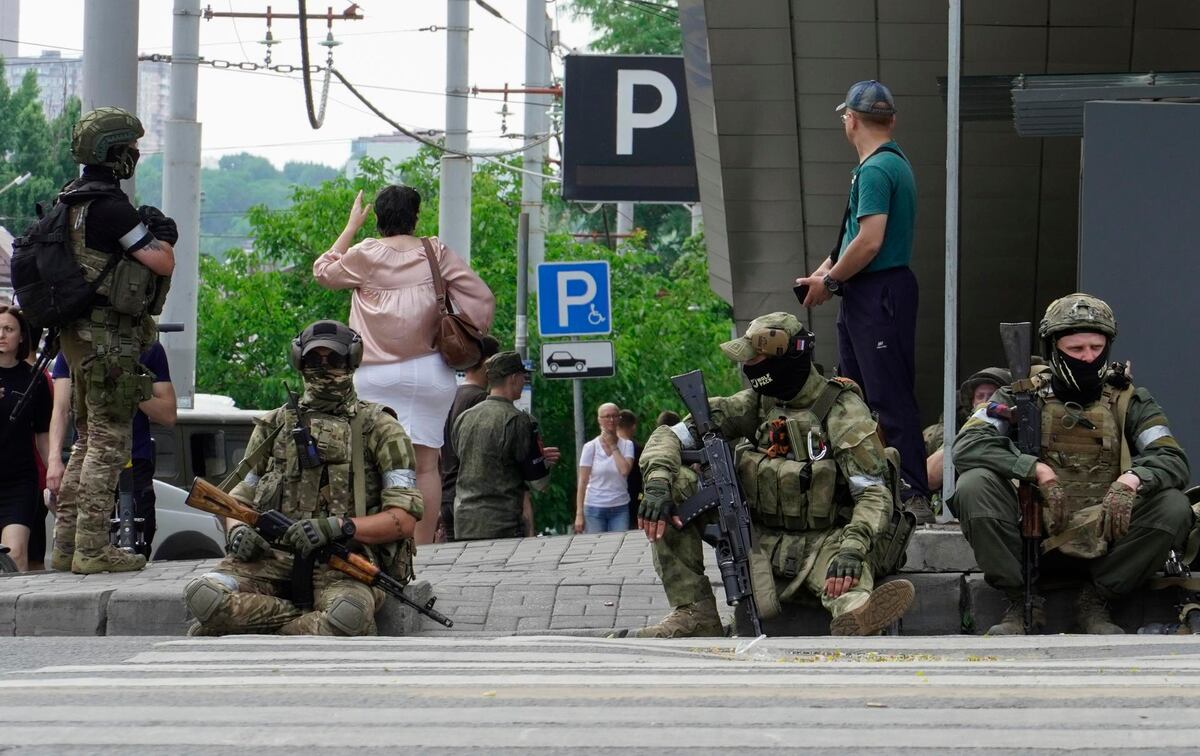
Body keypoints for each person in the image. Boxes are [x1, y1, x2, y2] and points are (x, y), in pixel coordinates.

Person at [620, 312, 915, 638]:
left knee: (846, 579)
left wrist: (854, 547)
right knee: (676, 488)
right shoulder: (757, 403)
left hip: (826, 541)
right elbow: (672, 434)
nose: (748, 368)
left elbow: (873, 493)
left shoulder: (843, 411)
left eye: (755, 359)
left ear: (786, 358)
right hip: (759, 540)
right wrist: (658, 482)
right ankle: (695, 612)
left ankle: (858, 614)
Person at [953, 294, 1192, 635]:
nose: (1088, 357)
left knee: (1173, 505)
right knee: (974, 484)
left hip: (1106, 534)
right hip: (1032, 533)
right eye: (1076, 349)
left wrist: (1133, 479)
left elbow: (1172, 458)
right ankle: (1022, 601)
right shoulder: (1019, 395)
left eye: (1096, 347)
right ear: (1054, 347)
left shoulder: (1129, 399)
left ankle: (1096, 600)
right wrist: (1034, 469)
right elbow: (968, 445)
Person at [182, 320, 424, 636]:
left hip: (341, 564)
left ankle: (258, 627)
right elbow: (237, 500)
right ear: (299, 361)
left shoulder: (381, 428)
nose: (323, 368)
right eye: (313, 360)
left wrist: (340, 526)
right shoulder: (274, 426)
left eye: (334, 359)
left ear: (351, 361)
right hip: (269, 561)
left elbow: (403, 520)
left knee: (348, 615)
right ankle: (303, 623)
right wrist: (237, 530)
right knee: (204, 596)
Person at [313, 186, 495, 547]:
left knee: (372, 462)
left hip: (374, 376)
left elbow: (323, 272)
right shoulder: (434, 251)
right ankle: (422, 548)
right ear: (416, 216)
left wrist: (350, 227)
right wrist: (468, 330)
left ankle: (378, 542)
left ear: (379, 219)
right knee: (426, 465)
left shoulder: (365, 254)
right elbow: (483, 297)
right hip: (429, 371)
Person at [794, 80, 932, 525]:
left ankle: (913, 492)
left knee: (887, 396)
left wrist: (831, 282)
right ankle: (871, 490)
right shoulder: (884, 163)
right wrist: (823, 274)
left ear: (850, 120)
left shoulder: (876, 170)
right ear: (891, 119)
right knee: (853, 395)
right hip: (868, 291)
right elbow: (852, 238)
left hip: (878, 292)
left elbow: (870, 243)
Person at [53, 107, 176, 574]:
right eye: (131, 148)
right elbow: (160, 262)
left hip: (76, 339)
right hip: (108, 341)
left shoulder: (70, 199)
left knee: (87, 441)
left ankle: (66, 546)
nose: (135, 155)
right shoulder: (110, 206)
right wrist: (165, 238)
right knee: (108, 443)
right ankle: (91, 549)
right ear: (114, 151)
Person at [45, 341, 177, 562]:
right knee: (79, 540)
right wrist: (54, 460)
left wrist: (126, 384)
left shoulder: (147, 347)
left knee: (140, 540)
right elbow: (61, 410)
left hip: (134, 460)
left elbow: (168, 415)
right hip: (89, 458)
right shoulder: (76, 343)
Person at [451, 352, 562, 541]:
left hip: (464, 520)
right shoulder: (520, 421)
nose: (524, 381)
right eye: (523, 377)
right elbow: (539, 482)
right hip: (503, 522)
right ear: (514, 378)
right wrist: (542, 462)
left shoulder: (464, 418)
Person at [0, 306, 51, 571]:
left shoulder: (35, 380)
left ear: (21, 336)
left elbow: (43, 435)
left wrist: (55, 472)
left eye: (8, 329)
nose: (1, 335)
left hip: (19, 482)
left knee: (15, 554)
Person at [438, 334, 500, 542]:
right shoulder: (480, 400)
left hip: (446, 494)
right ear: (487, 362)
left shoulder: (450, 395)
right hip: (470, 499)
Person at [924, 367, 1010, 492]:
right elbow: (930, 477)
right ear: (972, 403)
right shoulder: (961, 434)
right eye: (980, 397)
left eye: (993, 396)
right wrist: (971, 434)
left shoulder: (1019, 433)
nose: (985, 402)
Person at [574, 403, 635, 534]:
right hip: (594, 507)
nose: (611, 420)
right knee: (597, 544)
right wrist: (579, 513)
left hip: (620, 507)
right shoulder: (590, 447)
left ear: (619, 419)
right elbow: (582, 481)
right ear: (599, 420)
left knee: (620, 542)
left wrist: (613, 445)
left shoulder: (627, 445)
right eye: (607, 416)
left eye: (614, 416)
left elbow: (624, 470)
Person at [618, 409, 644, 529]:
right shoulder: (638, 449)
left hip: (607, 499)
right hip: (634, 498)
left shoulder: (606, 447)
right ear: (633, 427)